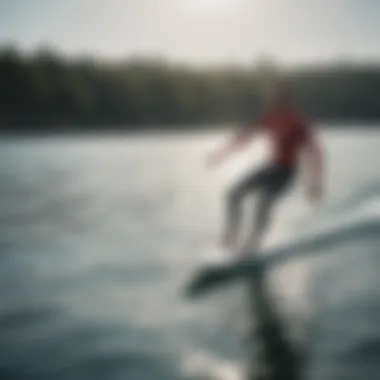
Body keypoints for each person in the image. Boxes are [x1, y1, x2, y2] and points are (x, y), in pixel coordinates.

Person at [206, 82, 324, 254]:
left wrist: (315, 183)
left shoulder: (297, 122)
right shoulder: (270, 118)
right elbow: (244, 138)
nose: (272, 101)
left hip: (286, 173)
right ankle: (230, 237)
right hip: (271, 168)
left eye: (276, 98)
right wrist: (220, 155)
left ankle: (253, 244)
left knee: (263, 202)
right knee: (232, 194)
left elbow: (314, 152)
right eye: (272, 98)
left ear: (286, 100)